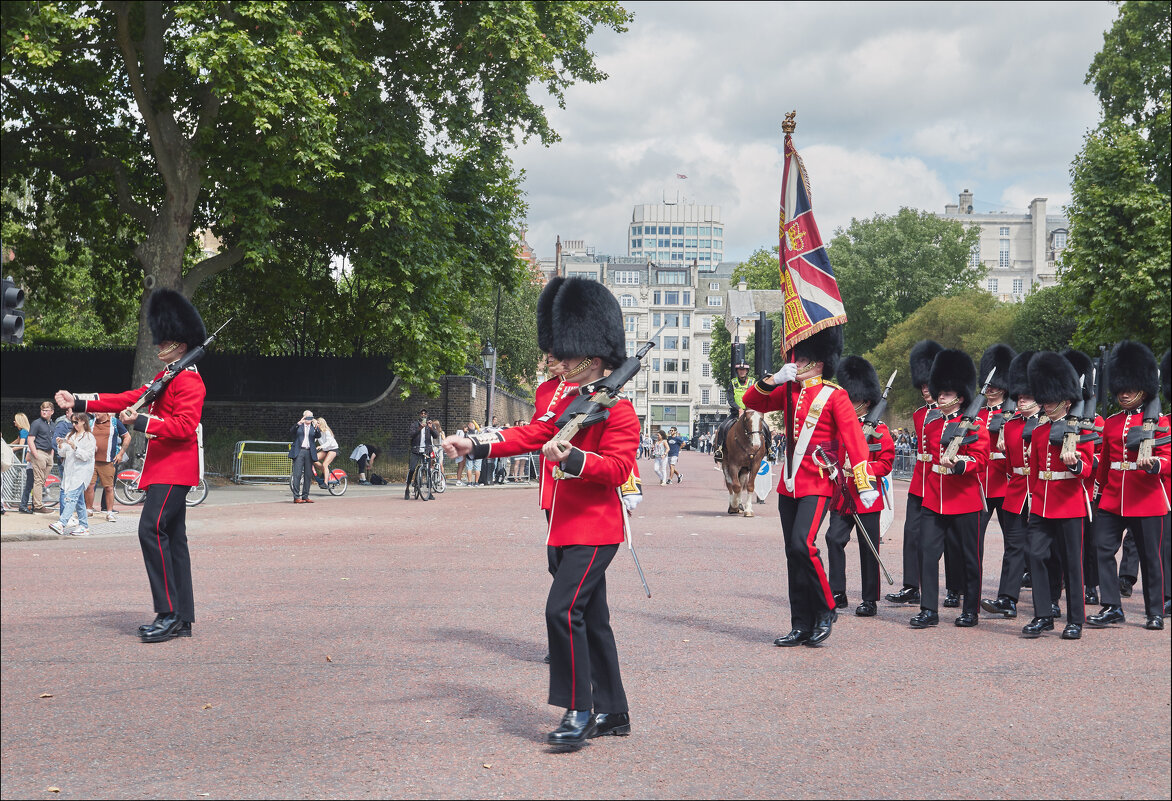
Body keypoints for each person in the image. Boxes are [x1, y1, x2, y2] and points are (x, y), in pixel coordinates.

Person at [443, 276, 638, 750]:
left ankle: (580, 711)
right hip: (561, 524)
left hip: (597, 528)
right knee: (592, 618)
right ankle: (614, 711)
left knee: (562, 610)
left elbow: (616, 470)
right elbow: (531, 435)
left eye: (567, 355)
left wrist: (570, 457)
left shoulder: (620, 411)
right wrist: (477, 444)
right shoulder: (563, 399)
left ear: (593, 358)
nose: (558, 360)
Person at [56, 288, 207, 643]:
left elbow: (184, 427)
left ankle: (168, 613)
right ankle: (182, 616)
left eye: (165, 341)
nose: (159, 346)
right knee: (174, 539)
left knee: (150, 531)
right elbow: (127, 398)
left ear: (181, 344)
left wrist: (140, 423)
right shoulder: (166, 377)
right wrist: (79, 400)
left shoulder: (189, 380)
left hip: (175, 468)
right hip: (164, 468)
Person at [742, 326, 878, 647]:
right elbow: (752, 401)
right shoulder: (788, 392)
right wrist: (774, 379)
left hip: (817, 481)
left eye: (801, 359)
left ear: (817, 363)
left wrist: (863, 477)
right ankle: (800, 624)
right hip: (789, 484)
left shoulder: (835, 395)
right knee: (793, 555)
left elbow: (853, 438)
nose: (796, 363)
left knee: (804, 545)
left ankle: (827, 607)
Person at [1087, 340, 1170, 631]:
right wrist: (1097, 490)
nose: (1123, 394)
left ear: (1143, 389)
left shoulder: (1159, 422)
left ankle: (1154, 611)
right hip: (1112, 497)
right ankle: (1112, 606)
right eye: (1120, 389)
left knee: (1151, 558)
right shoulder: (1111, 423)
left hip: (1146, 497)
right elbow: (1106, 462)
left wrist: (1156, 466)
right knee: (1102, 548)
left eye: (1129, 389)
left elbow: (1168, 458)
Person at [911, 348, 989, 630]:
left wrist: (960, 464)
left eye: (946, 392)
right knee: (927, 553)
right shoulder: (932, 427)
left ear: (959, 394)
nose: (939, 396)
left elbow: (980, 460)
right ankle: (928, 609)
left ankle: (971, 610)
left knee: (970, 558)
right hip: (935, 499)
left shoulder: (976, 426)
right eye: (939, 391)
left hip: (964, 500)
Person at [1018, 352, 1094, 639]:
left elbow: (1087, 469)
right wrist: (1034, 503)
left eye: (1051, 401)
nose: (1046, 405)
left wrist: (1075, 463)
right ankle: (1043, 615)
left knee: (1072, 564)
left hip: (1069, 504)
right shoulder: (1038, 433)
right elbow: (1035, 472)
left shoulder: (1080, 429)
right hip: (1042, 505)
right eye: (1044, 400)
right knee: (1035, 556)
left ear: (1066, 400)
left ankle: (1075, 620)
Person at [824, 356, 894, 618]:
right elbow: (830, 452)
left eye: (852, 399)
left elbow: (885, 464)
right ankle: (838, 592)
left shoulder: (880, 430)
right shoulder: (840, 427)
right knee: (833, 539)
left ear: (864, 401)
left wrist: (862, 469)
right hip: (842, 494)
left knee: (869, 547)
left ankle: (869, 599)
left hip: (866, 495)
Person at [981, 351, 1039, 621]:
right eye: (1020, 396)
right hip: (1016, 493)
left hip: (1042, 493)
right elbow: (1008, 465)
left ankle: (1048, 601)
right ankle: (1007, 599)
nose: (1022, 399)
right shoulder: (1012, 425)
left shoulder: (1049, 425)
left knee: (1043, 551)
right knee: (1014, 547)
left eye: (1027, 395)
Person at [885, 340, 942, 606]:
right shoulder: (919, 415)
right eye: (922, 386)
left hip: (941, 480)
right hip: (920, 480)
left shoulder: (953, 416)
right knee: (911, 534)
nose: (926, 390)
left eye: (929, 385)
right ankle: (911, 586)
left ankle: (955, 588)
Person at [49, 412, 97, 536]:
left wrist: (75, 447)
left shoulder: (89, 437)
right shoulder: (70, 435)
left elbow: (87, 456)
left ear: (83, 422)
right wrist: (61, 444)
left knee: (71, 498)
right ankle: (84, 526)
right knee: (79, 501)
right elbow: (63, 454)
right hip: (70, 472)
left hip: (81, 473)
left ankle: (62, 523)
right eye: (73, 422)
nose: (74, 424)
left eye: (76, 422)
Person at [85, 412, 130, 521]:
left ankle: (109, 512)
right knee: (89, 486)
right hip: (91, 461)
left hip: (108, 461)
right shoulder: (91, 422)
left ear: (105, 411)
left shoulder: (115, 422)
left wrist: (120, 454)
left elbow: (127, 437)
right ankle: (88, 510)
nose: (96, 413)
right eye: (94, 411)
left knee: (109, 487)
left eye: (98, 411)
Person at [713, 360, 752, 463]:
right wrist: (739, 409)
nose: (742, 372)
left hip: (750, 411)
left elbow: (756, 396)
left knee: (763, 426)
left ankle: (769, 449)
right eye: (740, 370)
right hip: (736, 413)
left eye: (744, 370)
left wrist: (748, 409)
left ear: (747, 371)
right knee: (722, 427)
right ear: (737, 371)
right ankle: (720, 449)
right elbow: (730, 399)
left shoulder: (753, 382)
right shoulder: (733, 383)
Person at [22, 401, 55, 514]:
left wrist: (52, 454)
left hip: (48, 454)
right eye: (42, 410)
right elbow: (30, 439)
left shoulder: (52, 424)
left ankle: (36, 504)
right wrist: (35, 454)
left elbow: (52, 440)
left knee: (41, 481)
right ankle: (38, 506)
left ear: (52, 412)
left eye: (46, 410)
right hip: (39, 452)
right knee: (38, 480)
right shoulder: (36, 423)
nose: (44, 412)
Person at [406, 407, 439, 500]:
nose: (423, 415)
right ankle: (407, 488)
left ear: (427, 415)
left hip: (426, 450)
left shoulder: (430, 425)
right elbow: (411, 435)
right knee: (412, 469)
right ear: (419, 415)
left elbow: (436, 435)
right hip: (416, 450)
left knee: (428, 471)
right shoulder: (414, 424)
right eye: (422, 413)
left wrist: (431, 428)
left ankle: (429, 492)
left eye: (425, 413)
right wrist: (420, 428)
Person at [289, 411, 320, 504]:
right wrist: (299, 423)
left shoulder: (313, 428)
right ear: (304, 417)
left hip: (309, 452)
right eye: (307, 417)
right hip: (299, 451)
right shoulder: (299, 426)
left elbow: (318, 435)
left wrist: (316, 427)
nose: (309, 419)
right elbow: (292, 432)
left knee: (308, 475)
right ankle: (296, 497)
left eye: (311, 417)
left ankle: (305, 496)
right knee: (297, 474)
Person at [313, 417, 339, 488]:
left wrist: (321, 446)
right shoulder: (318, 432)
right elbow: (313, 440)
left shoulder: (327, 431)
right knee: (314, 459)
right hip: (325, 449)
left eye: (318, 423)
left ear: (321, 424)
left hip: (333, 449)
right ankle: (325, 472)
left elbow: (329, 442)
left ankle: (326, 483)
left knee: (325, 464)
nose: (316, 424)